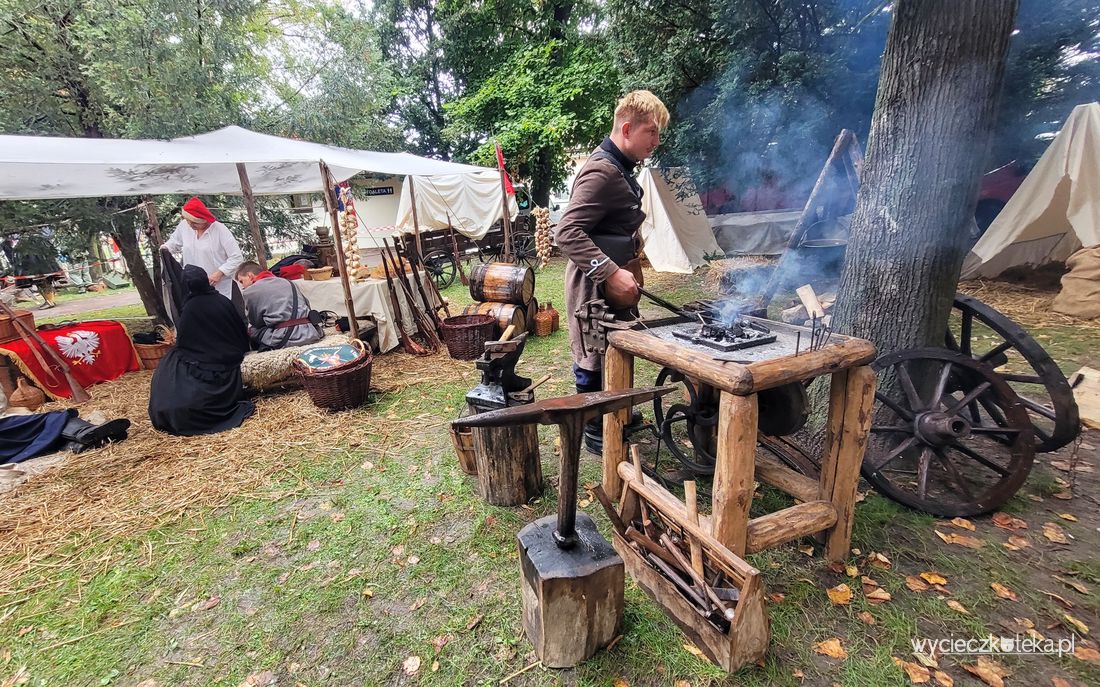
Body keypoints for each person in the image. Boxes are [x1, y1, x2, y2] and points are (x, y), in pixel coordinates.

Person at [556, 90, 670, 453]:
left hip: (611, 279)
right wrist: (608, 272)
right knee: (593, 352)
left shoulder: (618, 166)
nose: (656, 140)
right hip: (594, 284)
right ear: (626, 128)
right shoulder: (603, 170)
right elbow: (567, 232)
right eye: (651, 132)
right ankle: (594, 428)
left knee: (616, 349)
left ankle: (616, 411)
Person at [148, 265, 254, 436]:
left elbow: (185, 345)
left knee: (170, 365)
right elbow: (239, 331)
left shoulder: (190, 308)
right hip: (230, 356)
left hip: (207, 363)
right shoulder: (223, 301)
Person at [162, 197, 245, 301]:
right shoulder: (184, 226)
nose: (191, 225)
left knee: (217, 312)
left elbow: (236, 257)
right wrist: (165, 249)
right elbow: (174, 242)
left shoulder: (220, 230)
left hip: (217, 285)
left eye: (195, 222)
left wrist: (219, 273)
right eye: (188, 221)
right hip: (192, 285)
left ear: (204, 220)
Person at [235, 261, 323, 351]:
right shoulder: (289, 282)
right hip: (310, 332)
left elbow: (256, 322)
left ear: (250, 276)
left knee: (252, 329)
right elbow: (307, 306)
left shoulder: (250, 291)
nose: (243, 286)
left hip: (283, 338)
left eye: (242, 281)